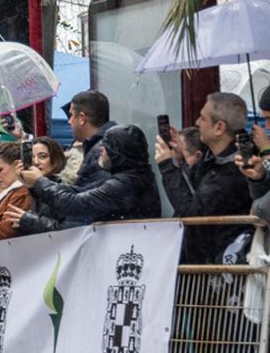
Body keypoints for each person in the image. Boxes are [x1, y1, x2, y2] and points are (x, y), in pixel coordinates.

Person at [158, 92, 253, 263]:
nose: (197, 123)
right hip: (204, 260)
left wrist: (168, 167)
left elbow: (191, 213)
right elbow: (195, 189)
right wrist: (180, 159)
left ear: (219, 127)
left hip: (220, 272)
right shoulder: (214, 159)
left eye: (203, 118)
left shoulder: (237, 170)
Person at [13, 125, 160, 232]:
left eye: (106, 148)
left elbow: (75, 205)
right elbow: (78, 191)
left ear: (117, 154)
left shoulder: (126, 183)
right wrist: (34, 185)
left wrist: (39, 182)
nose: (101, 151)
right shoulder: (124, 177)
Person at [62, 90, 117, 189]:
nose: (69, 122)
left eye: (71, 115)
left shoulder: (100, 151)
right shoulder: (110, 144)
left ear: (82, 118)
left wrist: (39, 182)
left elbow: (90, 199)